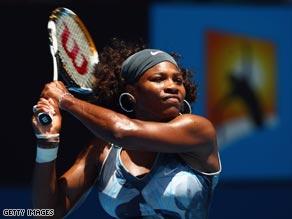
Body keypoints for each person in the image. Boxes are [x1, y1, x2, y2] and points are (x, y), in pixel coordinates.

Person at [31, 38, 221, 219]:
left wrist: (66, 100)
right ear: (131, 93)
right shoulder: (101, 150)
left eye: (178, 80)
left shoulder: (197, 130)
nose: (172, 86)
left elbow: (122, 131)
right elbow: (48, 213)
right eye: (158, 79)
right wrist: (47, 141)